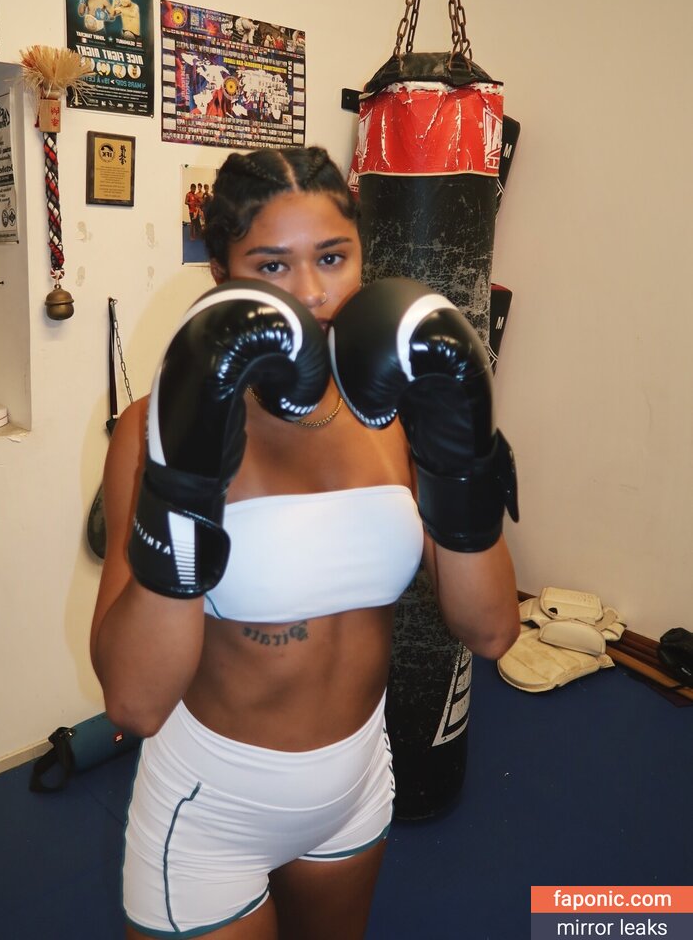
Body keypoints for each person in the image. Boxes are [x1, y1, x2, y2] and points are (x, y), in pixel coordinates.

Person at [90, 146, 520, 940]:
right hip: (211, 804)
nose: (313, 293)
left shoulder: (395, 411)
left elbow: (490, 630)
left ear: (362, 258)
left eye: (331, 257)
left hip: (356, 786)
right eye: (271, 265)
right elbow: (134, 703)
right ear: (221, 277)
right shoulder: (152, 426)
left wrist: (463, 456)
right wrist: (185, 484)